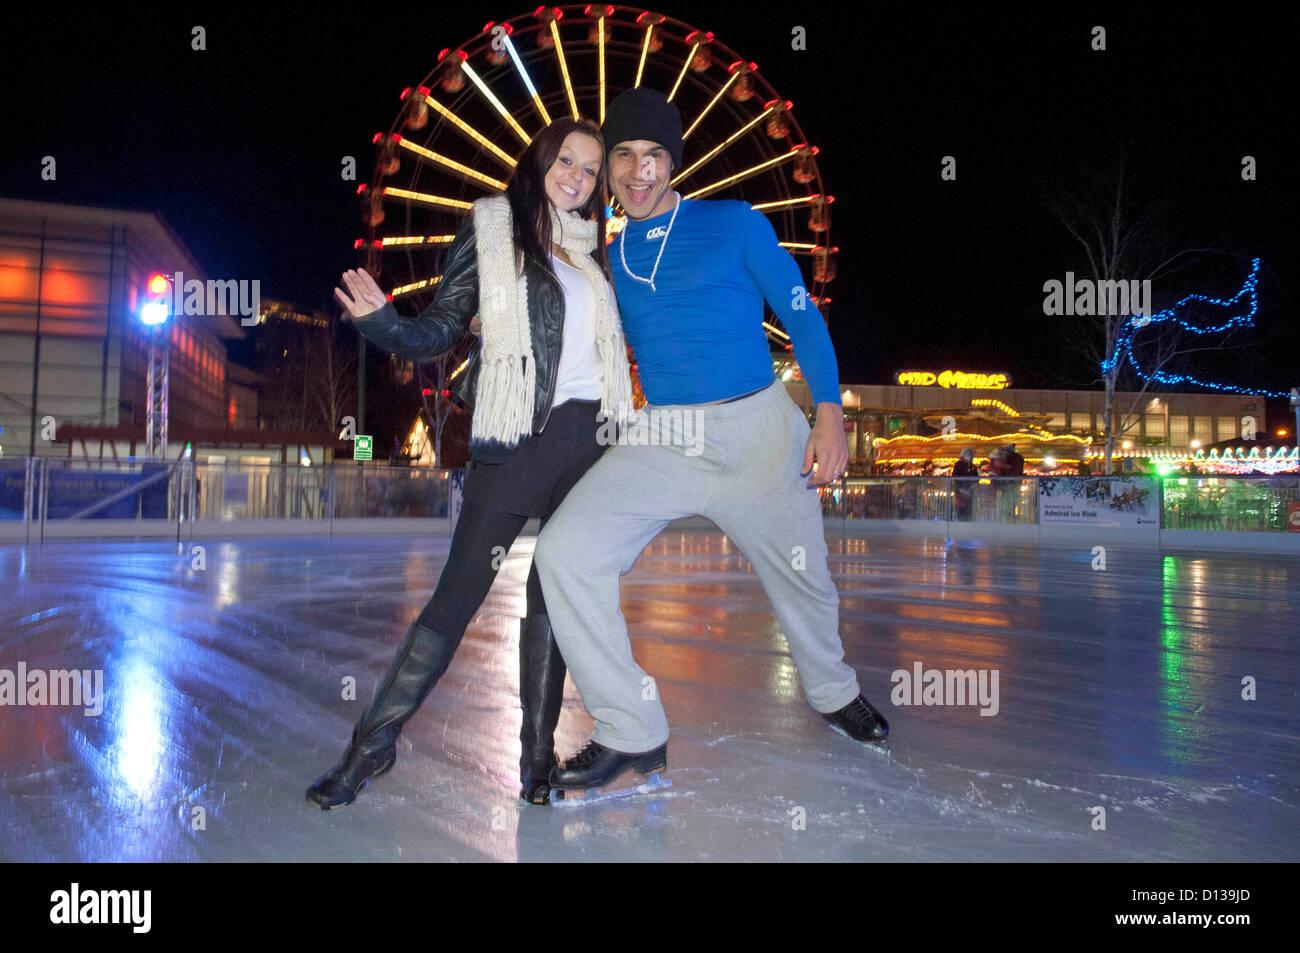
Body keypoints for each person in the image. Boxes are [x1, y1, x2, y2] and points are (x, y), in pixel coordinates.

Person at [532, 88, 889, 794]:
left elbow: (802, 317)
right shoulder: (605, 255)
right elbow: (561, 314)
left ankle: (831, 689)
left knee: (806, 580)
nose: (638, 171)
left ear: (674, 161)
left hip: (759, 428)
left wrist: (828, 410)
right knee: (564, 551)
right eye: (624, 156)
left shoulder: (735, 223)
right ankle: (631, 727)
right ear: (609, 171)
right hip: (666, 431)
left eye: (653, 155)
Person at [309, 117, 634, 808]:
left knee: (555, 606)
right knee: (454, 601)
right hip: (518, 440)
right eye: (566, 160)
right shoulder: (493, 229)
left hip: (590, 447)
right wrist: (384, 323)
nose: (576, 177)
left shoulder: (595, 254)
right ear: (541, 158)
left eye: (590, 169)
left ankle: (536, 762)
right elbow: (444, 327)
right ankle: (370, 747)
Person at [952, 448, 977, 520]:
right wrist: (961, 488)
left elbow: (976, 478)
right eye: (971, 455)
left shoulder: (973, 466)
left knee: (969, 512)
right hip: (961, 494)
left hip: (969, 493)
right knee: (962, 512)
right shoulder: (958, 464)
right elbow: (955, 478)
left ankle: (967, 524)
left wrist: (974, 485)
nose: (973, 457)